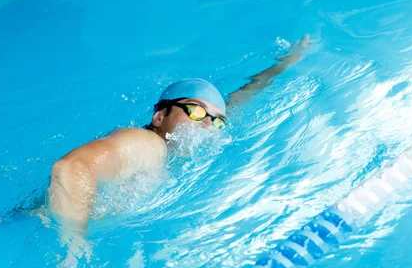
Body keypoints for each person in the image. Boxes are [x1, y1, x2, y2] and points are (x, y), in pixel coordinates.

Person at [47, 35, 312, 230]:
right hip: (44, 227)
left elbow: (238, 100)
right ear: (159, 116)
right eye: (196, 112)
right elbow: (71, 167)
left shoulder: (174, 148)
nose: (207, 125)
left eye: (216, 121)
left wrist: (286, 63)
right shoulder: (147, 143)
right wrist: (74, 248)